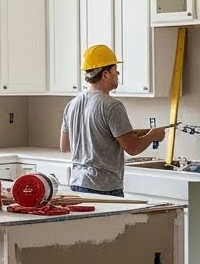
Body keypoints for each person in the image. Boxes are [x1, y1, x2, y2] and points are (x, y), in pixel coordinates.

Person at [59, 45, 164, 197]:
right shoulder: (112, 106)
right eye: (116, 69)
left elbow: (64, 146)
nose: (118, 73)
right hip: (103, 187)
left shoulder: (72, 104)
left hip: (77, 184)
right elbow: (132, 148)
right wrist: (153, 135)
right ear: (106, 74)